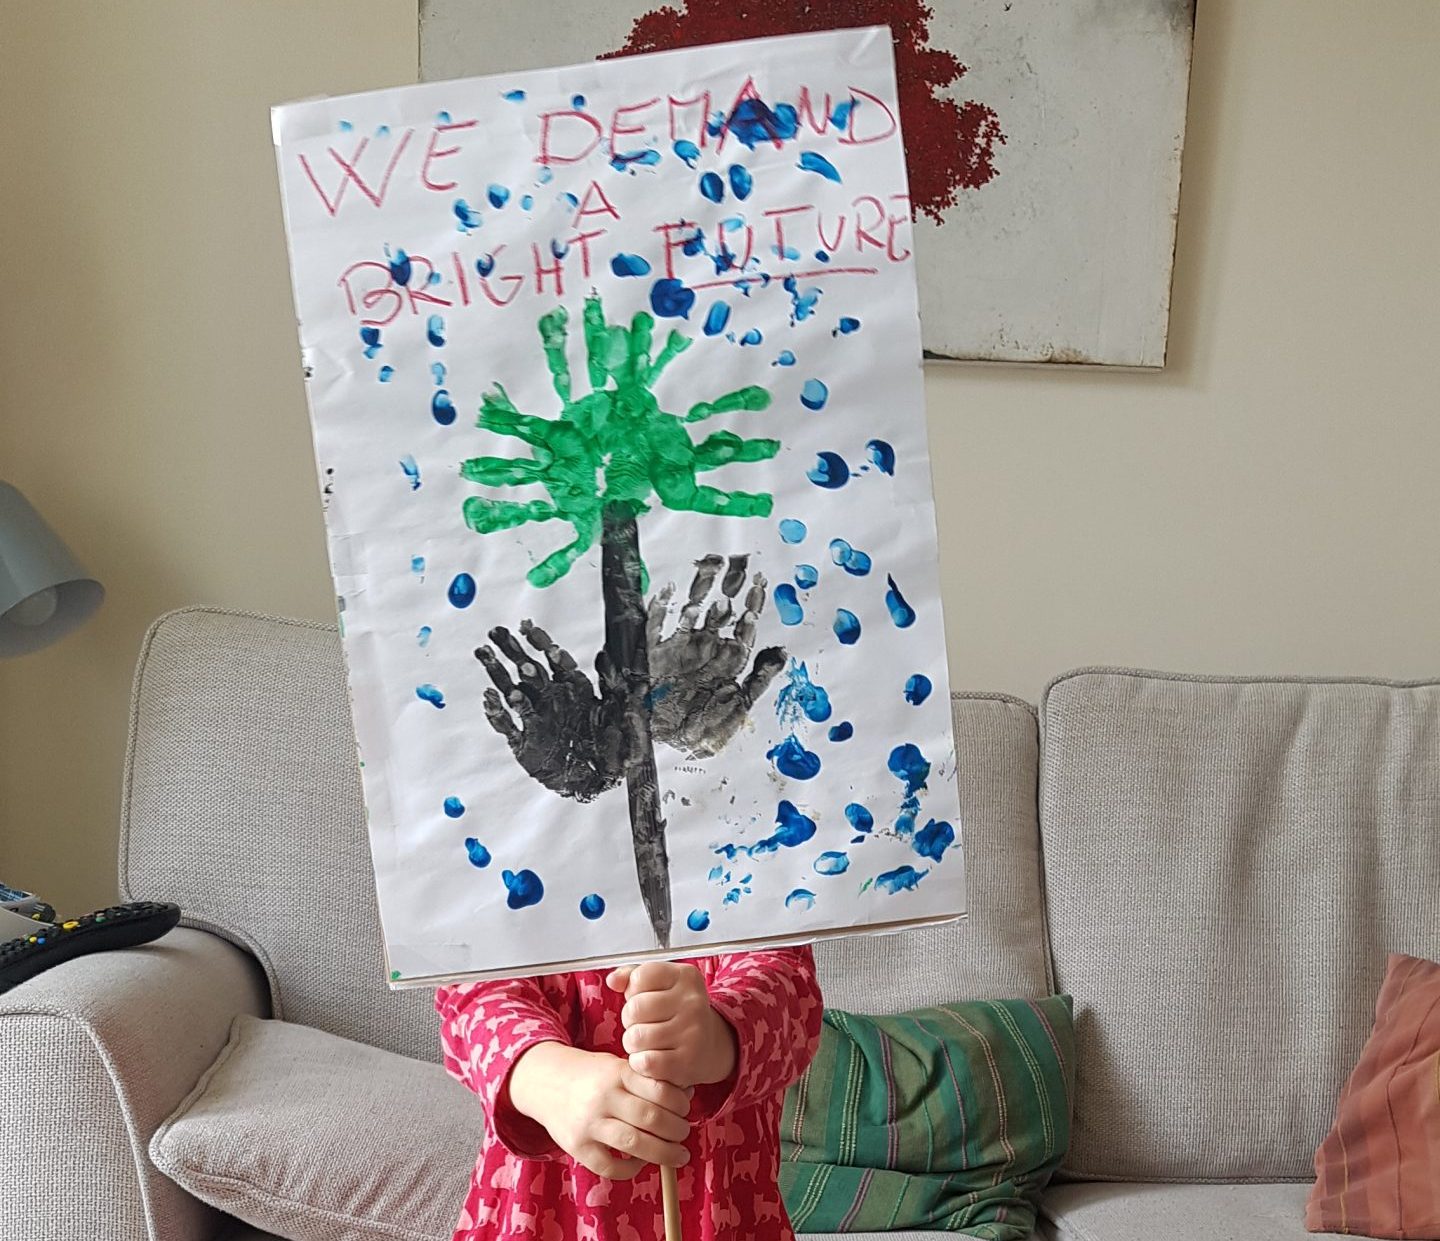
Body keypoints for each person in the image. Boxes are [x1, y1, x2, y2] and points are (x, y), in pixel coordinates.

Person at [436, 947, 822, 1239]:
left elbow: (789, 991)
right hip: (539, 1219)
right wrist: (546, 1075)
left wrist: (718, 1033)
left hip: (726, 1215)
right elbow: (475, 995)